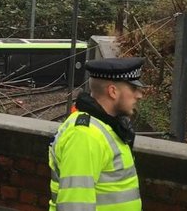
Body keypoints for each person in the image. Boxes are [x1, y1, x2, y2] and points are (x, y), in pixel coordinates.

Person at [48, 57, 145, 211]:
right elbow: (75, 206)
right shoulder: (85, 135)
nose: (139, 95)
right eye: (133, 88)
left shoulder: (105, 127)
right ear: (113, 91)